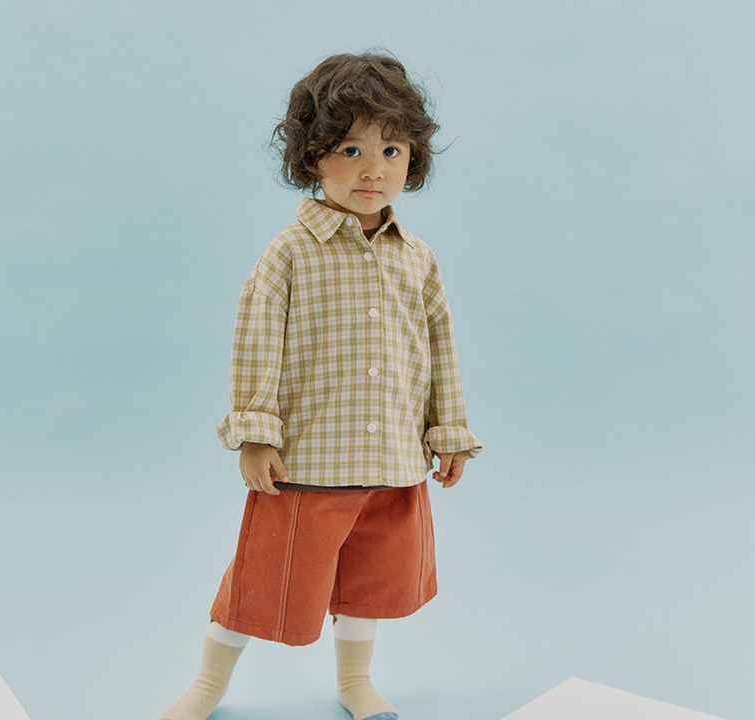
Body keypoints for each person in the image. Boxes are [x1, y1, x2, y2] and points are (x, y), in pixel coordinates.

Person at [160, 51, 483, 720]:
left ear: (413, 158)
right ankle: (207, 686)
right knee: (260, 583)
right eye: (351, 149)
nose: (374, 169)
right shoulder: (290, 253)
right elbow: (257, 345)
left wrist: (448, 432)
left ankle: (355, 682)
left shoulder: (417, 258)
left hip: (393, 463)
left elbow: (440, 350)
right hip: (309, 464)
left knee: (369, 583)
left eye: (392, 150)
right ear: (313, 157)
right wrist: (256, 435)